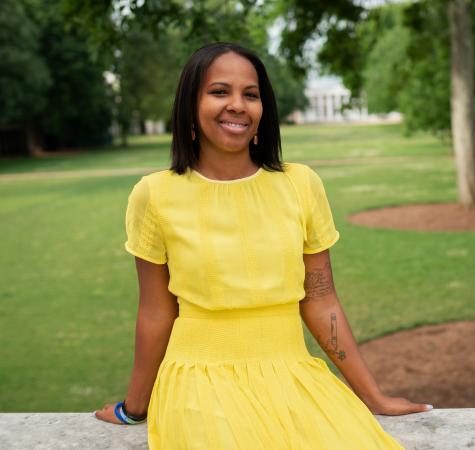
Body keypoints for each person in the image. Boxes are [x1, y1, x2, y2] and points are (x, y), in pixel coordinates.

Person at [94, 42, 431, 449]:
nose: (237, 105)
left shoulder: (301, 184)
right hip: (198, 383)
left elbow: (321, 300)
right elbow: (155, 312)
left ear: (263, 109)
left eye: (250, 95)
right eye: (219, 92)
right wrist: (135, 406)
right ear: (190, 105)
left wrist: (372, 395)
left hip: (293, 373)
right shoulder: (155, 194)